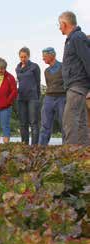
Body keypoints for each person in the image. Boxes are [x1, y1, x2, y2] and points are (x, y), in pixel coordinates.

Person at [58, 11, 90, 145]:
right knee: (81, 120)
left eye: (59, 25)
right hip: (76, 86)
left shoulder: (77, 37)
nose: (59, 28)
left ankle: (70, 152)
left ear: (65, 24)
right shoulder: (73, 38)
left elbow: (88, 60)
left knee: (70, 119)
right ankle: (84, 151)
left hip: (77, 85)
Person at [39, 47, 66, 145]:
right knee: (45, 124)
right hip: (49, 98)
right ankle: (41, 148)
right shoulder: (46, 71)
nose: (43, 58)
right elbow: (49, 85)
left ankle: (66, 148)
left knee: (64, 123)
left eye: (44, 56)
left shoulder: (63, 67)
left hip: (62, 98)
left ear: (51, 55)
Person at [16, 47, 41, 145]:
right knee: (23, 123)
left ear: (28, 56)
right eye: (21, 57)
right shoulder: (17, 68)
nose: (23, 59)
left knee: (33, 122)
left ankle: (34, 146)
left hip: (32, 97)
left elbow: (38, 83)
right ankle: (24, 145)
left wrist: (38, 97)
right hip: (21, 98)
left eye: (25, 57)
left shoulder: (34, 67)